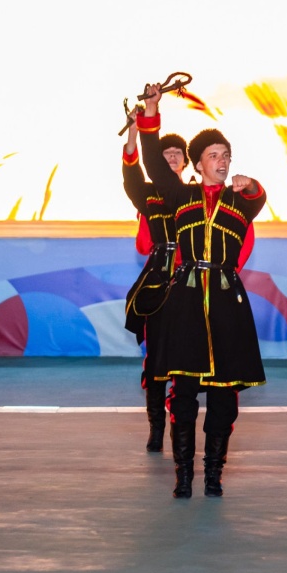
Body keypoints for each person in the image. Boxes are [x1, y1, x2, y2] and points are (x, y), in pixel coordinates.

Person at [137, 83, 266, 498]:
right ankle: (183, 476)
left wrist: (251, 183)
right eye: (214, 155)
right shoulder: (181, 196)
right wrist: (152, 111)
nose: (223, 161)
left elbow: (259, 195)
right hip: (187, 302)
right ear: (198, 164)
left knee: (225, 397)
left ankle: (213, 474)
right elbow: (154, 163)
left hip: (227, 302)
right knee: (185, 394)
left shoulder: (240, 202)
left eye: (227, 155)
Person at [123, 114, 188, 453]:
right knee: (156, 359)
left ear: (186, 161)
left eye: (177, 153)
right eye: (165, 153)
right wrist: (133, 134)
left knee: (185, 358)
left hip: (191, 283)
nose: (172, 156)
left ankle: (180, 426)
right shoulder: (148, 195)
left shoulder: (193, 195)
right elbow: (131, 176)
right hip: (158, 284)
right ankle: (156, 428)